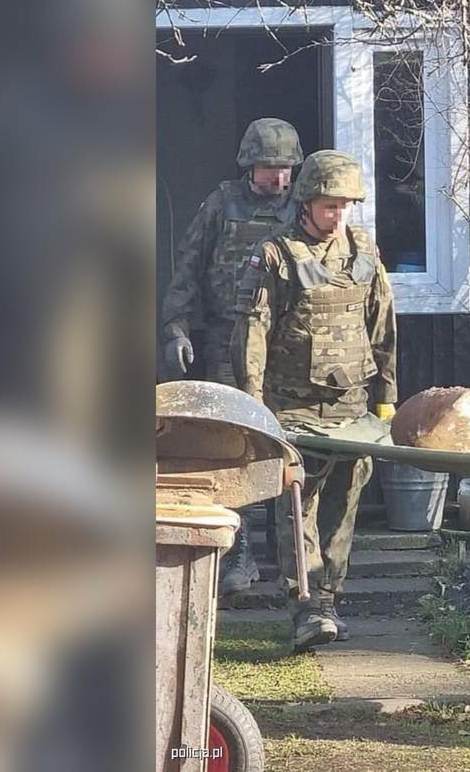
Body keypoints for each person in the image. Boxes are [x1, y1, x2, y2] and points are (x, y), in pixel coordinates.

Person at [232, 149, 398, 649]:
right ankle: (304, 605)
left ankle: (328, 597)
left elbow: (383, 325)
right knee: (295, 505)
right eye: (329, 206)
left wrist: (387, 397)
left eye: (346, 206)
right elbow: (252, 333)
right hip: (292, 408)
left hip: (352, 408)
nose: (338, 216)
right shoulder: (276, 255)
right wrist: (253, 404)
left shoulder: (363, 252)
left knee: (344, 506)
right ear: (306, 203)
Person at [160, 117, 304, 594]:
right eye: (268, 169)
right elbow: (188, 269)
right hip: (227, 341)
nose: (278, 179)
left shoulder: (305, 208)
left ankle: (293, 560)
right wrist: (176, 330)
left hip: (287, 348)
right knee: (234, 448)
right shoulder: (222, 205)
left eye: (285, 169)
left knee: (284, 450)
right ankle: (237, 556)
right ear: (249, 165)